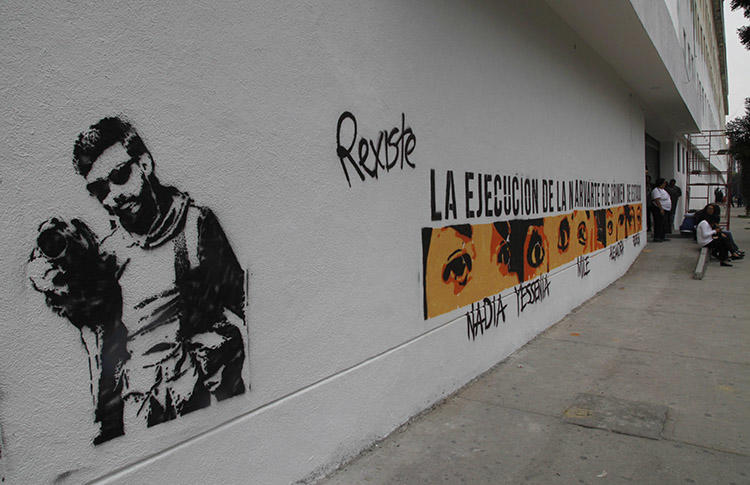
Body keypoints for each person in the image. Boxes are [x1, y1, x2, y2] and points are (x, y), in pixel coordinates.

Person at [28, 116, 247, 444]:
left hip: (212, 404)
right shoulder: (109, 257)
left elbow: (243, 308)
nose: (112, 195)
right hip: (147, 416)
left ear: (144, 163)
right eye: (99, 189)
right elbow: (105, 351)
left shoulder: (196, 225)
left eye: (119, 176)